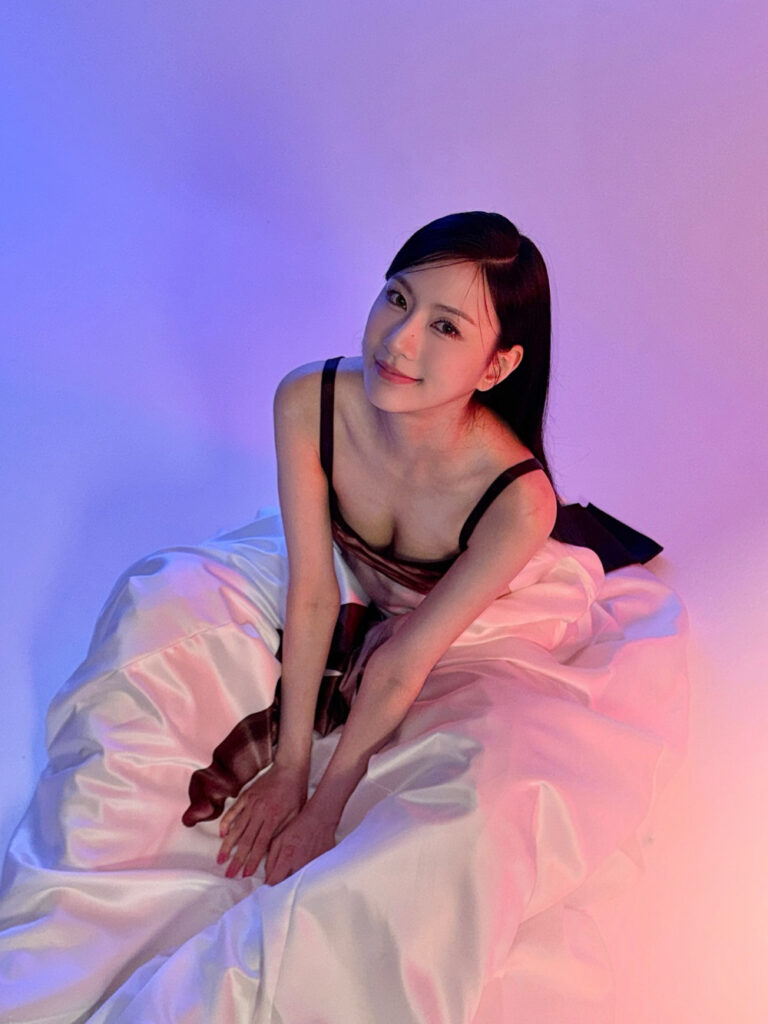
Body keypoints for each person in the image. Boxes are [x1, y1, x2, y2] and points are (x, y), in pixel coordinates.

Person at [0, 212, 687, 1024]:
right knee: (162, 605)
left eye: (445, 327)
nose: (399, 341)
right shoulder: (310, 397)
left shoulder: (519, 501)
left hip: (457, 623)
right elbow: (313, 590)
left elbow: (405, 660)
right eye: (396, 298)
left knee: (488, 782)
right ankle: (70, 944)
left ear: (499, 364)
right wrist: (289, 766)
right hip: (340, 583)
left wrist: (325, 804)